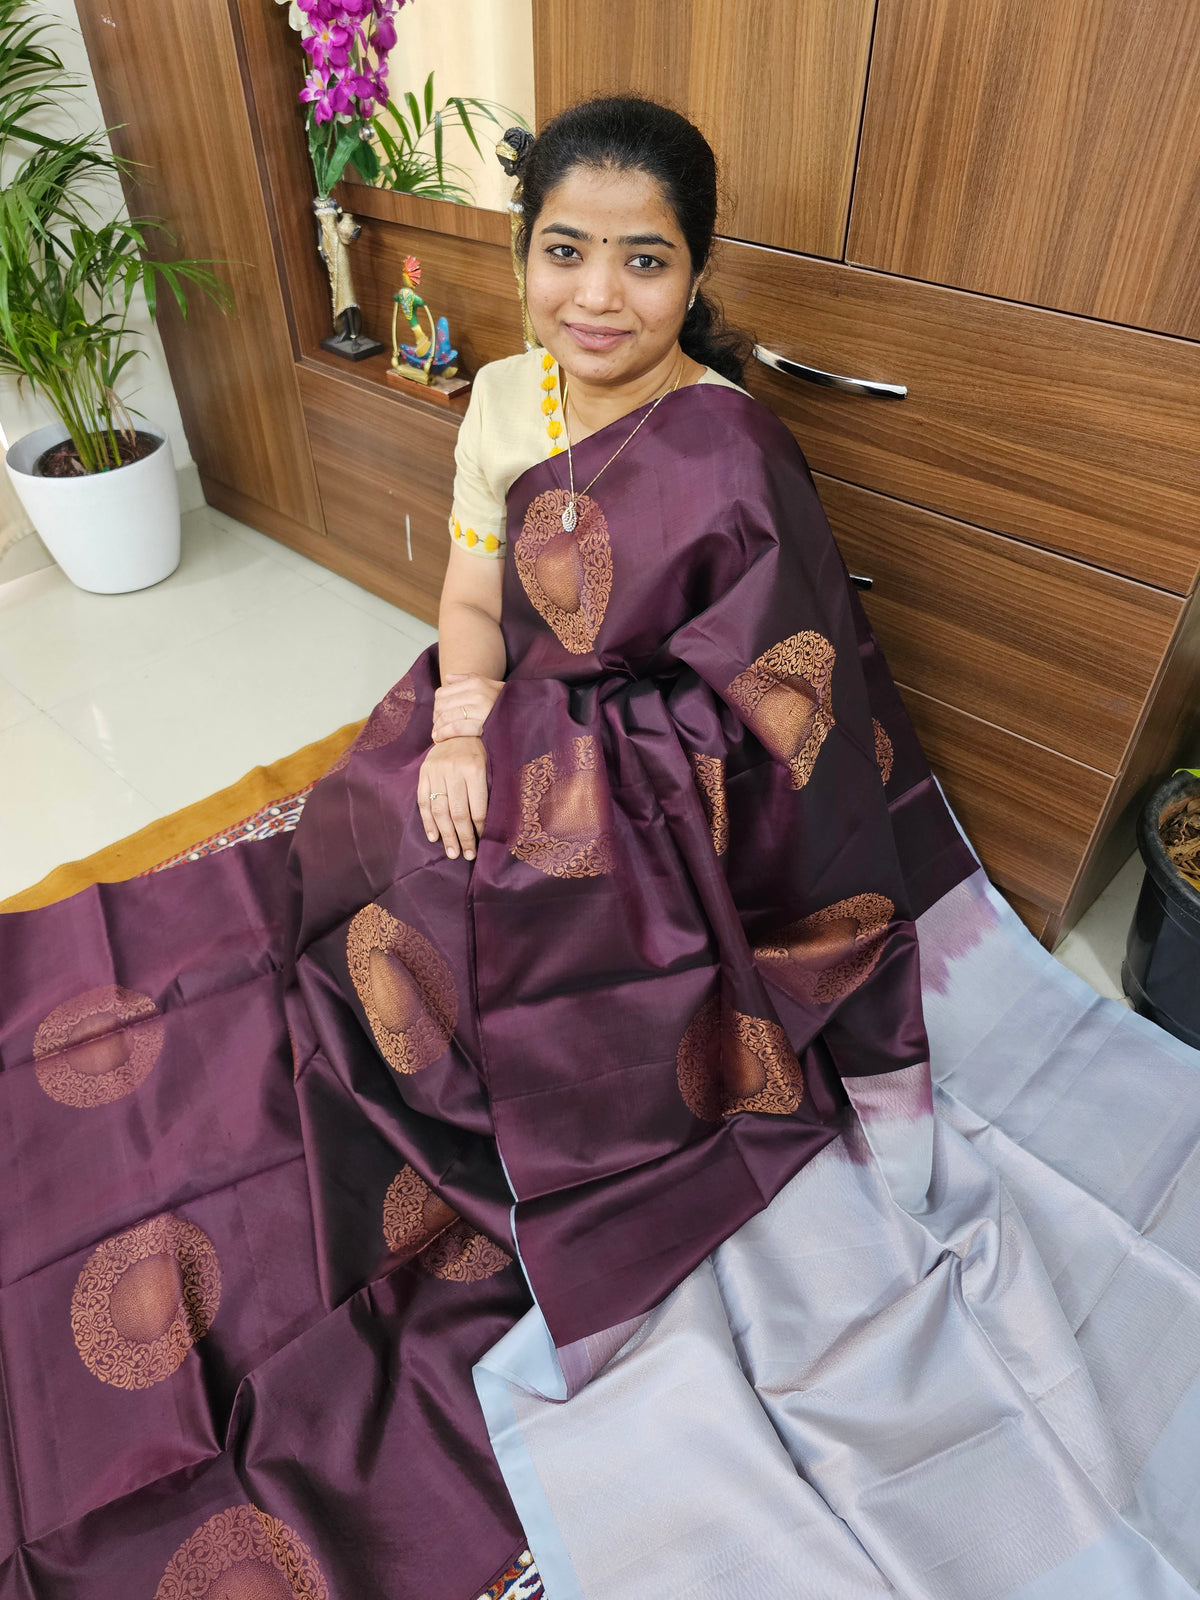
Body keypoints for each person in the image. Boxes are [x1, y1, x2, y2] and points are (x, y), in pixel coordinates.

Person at [2, 95, 1199, 1600]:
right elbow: (465, 598)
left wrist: (587, 773)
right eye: (566, 251)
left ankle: (552, 1097)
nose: (598, 294)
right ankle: (427, 1058)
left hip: (673, 780)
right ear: (523, 252)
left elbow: (786, 705)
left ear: (693, 271)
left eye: (644, 261)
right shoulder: (507, 400)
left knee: (532, 887)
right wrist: (463, 721)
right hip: (520, 714)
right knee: (382, 828)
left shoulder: (729, 444)